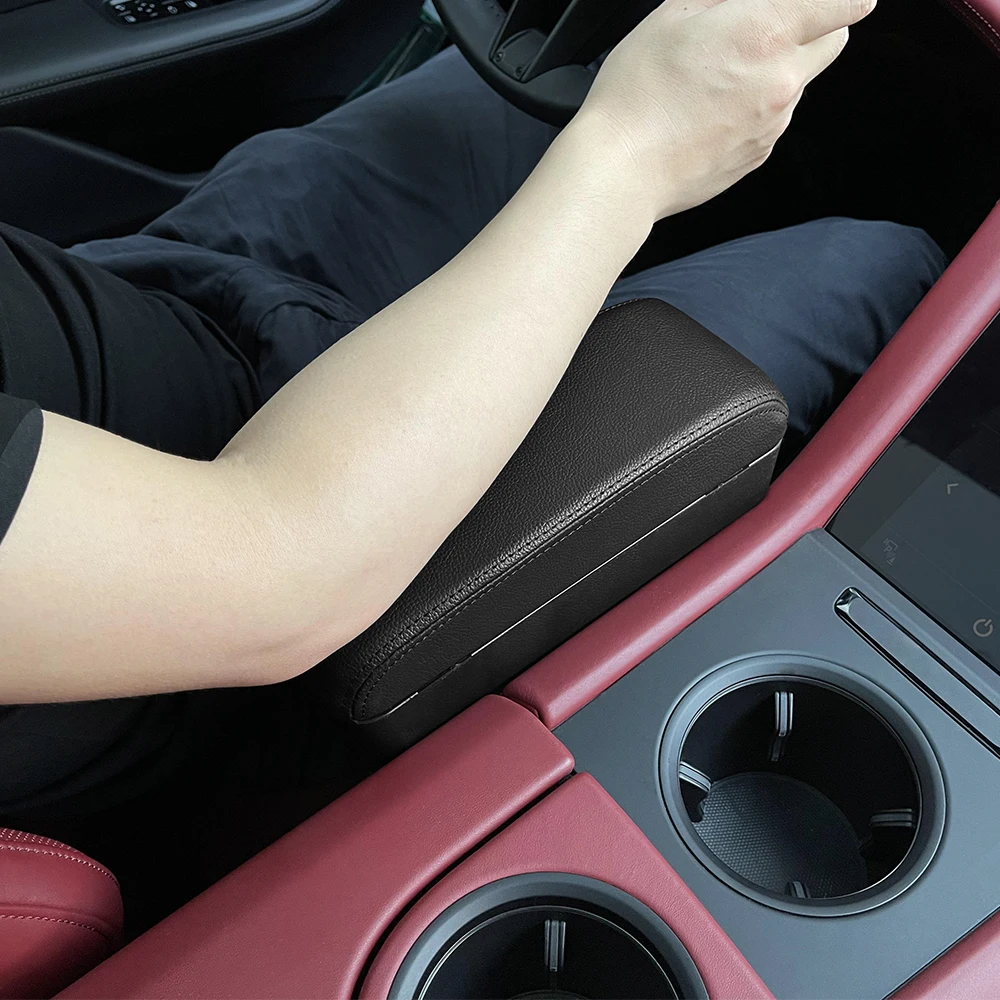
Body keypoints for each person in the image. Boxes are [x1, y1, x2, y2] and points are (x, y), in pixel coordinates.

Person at [0, 0, 945, 819]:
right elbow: (274, 571)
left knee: (546, 84)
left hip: (159, 303)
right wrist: (630, 153)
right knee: (885, 262)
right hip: (338, 547)